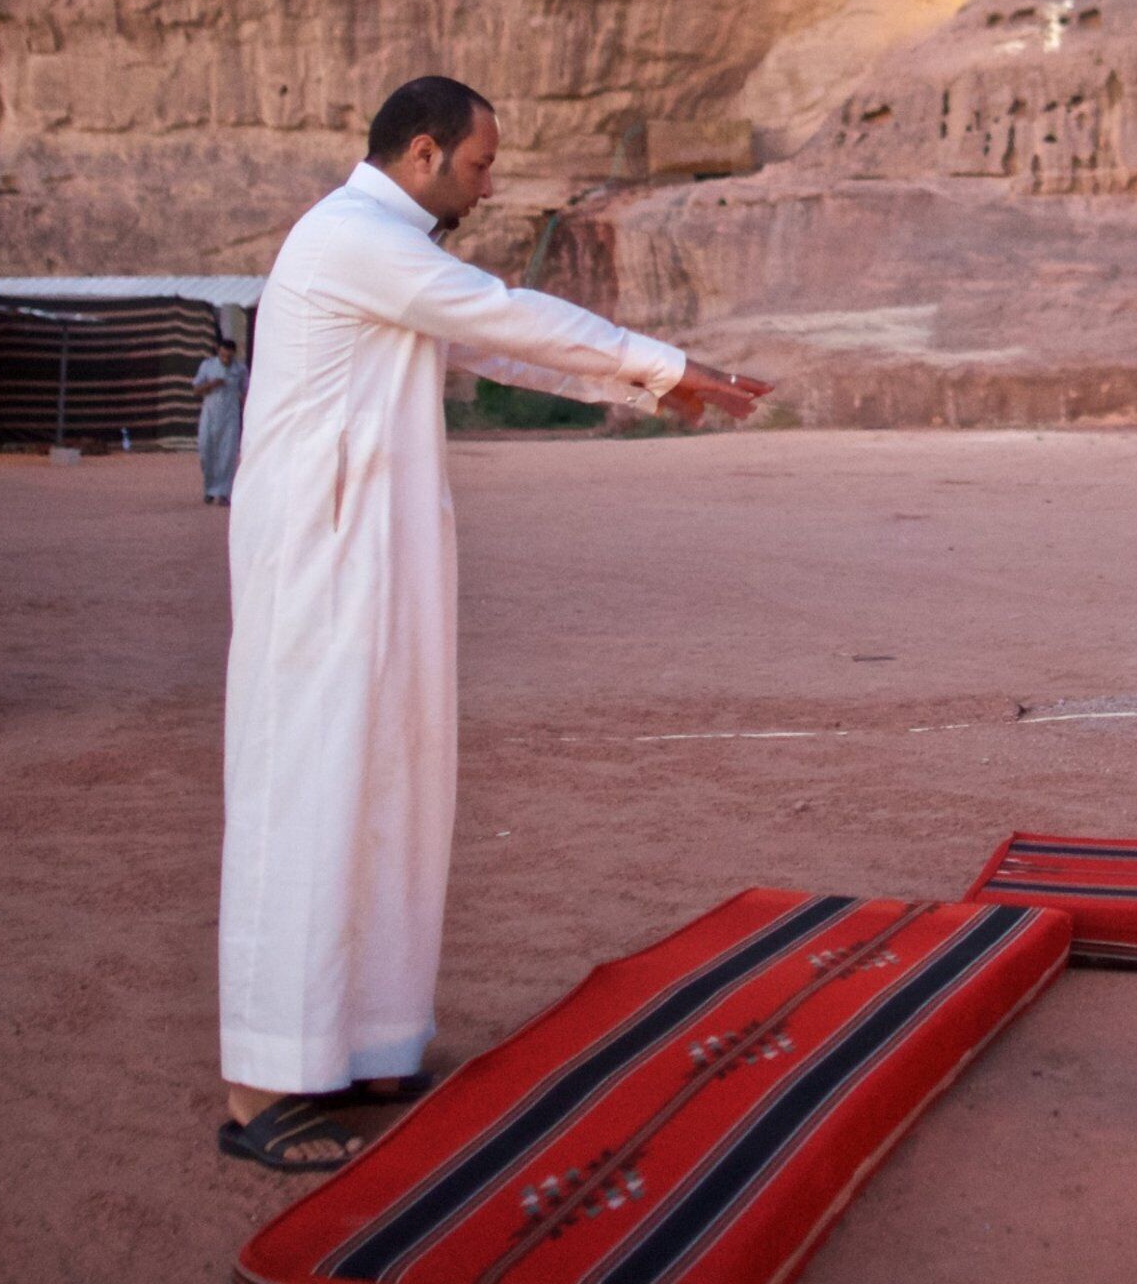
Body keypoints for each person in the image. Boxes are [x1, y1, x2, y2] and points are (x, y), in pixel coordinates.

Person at [214, 76, 773, 1172]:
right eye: (479, 165)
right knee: (311, 796)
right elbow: (504, 314)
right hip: (325, 567)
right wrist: (667, 365)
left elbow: (491, 344)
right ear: (422, 153)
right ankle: (259, 1086)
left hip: (379, 559)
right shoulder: (351, 236)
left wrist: (652, 390)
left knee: (391, 789)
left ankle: (365, 1043)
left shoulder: (392, 252)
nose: (487, 185)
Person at [193, 326, 248, 506]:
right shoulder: (208, 366)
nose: (227, 356)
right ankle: (209, 489)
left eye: (230, 354)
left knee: (227, 454)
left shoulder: (239, 369)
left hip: (230, 416)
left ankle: (224, 492)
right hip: (210, 413)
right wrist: (212, 384)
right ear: (219, 351)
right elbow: (196, 389)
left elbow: (246, 392)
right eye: (224, 353)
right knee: (206, 450)